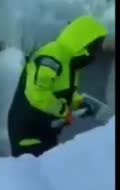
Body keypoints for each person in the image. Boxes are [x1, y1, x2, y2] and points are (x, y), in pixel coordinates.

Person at [7, 15, 108, 157]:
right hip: (29, 132)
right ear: (84, 43)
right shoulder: (52, 57)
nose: (97, 53)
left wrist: (78, 103)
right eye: (96, 47)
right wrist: (64, 112)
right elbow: (37, 94)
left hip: (46, 130)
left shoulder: (69, 61)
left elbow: (60, 94)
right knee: (32, 175)